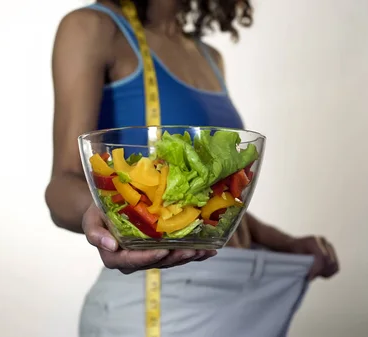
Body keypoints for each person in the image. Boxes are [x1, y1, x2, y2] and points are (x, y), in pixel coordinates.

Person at [46, 0, 340, 335]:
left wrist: (285, 243)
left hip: (239, 288)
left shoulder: (210, 58)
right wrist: (110, 217)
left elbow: (201, 199)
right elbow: (62, 184)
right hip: (159, 298)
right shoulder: (93, 27)